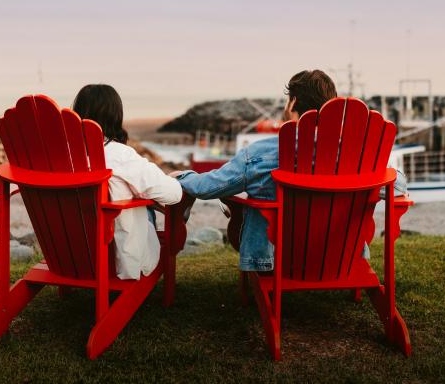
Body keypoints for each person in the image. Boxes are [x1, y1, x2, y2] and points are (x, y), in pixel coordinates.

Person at [174, 70, 407, 272]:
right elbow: (398, 186)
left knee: (241, 200)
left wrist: (183, 177)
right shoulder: (357, 155)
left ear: (292, 104)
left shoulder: (261, 153)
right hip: (341, 258)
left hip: (274, 260)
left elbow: (208, 188)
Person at [72, 84, 182, 280]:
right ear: (115, 115)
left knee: (134, 189)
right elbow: (173, 194)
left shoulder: (61, 157)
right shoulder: (119, 155)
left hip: (72, 254)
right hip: (115, 258)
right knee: (150, 194)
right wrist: (172, 180)